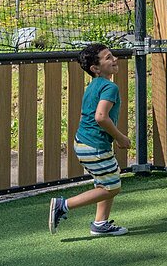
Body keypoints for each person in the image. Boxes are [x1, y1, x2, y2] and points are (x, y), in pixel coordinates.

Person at [48, 43, 131, 237]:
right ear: (95, 68)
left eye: (112, 55)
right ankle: (63, 205)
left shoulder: (94, 85)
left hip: (84, 142)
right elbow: (101, 117)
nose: (115, 59)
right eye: (108, 58)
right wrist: (120, 138)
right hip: (95, 146)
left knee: (107, 180)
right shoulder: (110, 87)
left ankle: (100, 223)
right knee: (112, 187)